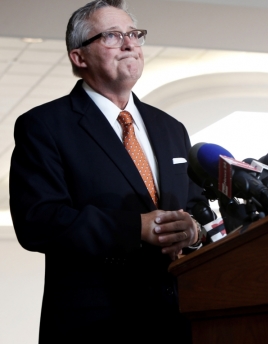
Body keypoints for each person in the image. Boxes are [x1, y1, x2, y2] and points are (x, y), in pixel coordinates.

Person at [9, 0, 207, 342]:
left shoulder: (171, 127)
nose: (130, 43)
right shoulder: (44, 126)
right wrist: (134, 227)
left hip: (175, 321)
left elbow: (197, 207)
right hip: (95, 324)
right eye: (113, 36)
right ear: (79, 57)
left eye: (134, 34)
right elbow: (38, 221)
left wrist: (194, 231)